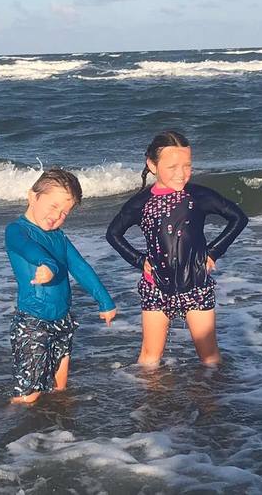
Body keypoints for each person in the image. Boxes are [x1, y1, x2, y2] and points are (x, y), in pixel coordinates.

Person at [106, 131, 247, 367]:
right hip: (156, 287)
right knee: (149, 359)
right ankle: (151, 394)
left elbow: (238, 218)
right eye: (172, 167)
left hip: (196, 285)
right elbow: (113, 234)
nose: (181, 173)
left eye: (187, 166)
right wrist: (139, 260)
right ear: (152, 165)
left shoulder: (198, 196)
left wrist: (213, 252)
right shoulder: (141, 203)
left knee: (210, 359)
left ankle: (213, 392)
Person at [5, 168, 117, 404]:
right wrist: (47, 264)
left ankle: (57, 424)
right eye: (53, 206)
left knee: (59, 388)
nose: (57, 215)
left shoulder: (59, 237)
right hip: (33, 322)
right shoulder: (16, 230)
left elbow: (81, 267)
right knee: (29, 395)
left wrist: (104, 300)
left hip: (63, 320)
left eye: (65, 212)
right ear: (33, 196)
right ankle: (11, 423)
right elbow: (29, 249)